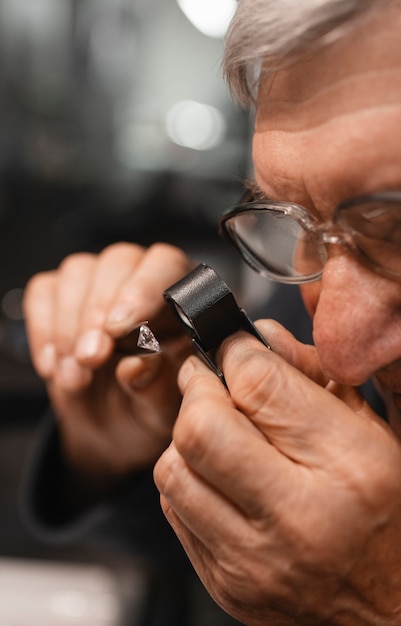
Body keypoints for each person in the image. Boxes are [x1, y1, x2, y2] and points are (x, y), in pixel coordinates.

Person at [22, 0, 401, 623]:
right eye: (295, 217)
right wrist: (130, 455)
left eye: (395, 232)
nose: (337, 346)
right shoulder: (295, 308)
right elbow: (233, 575)